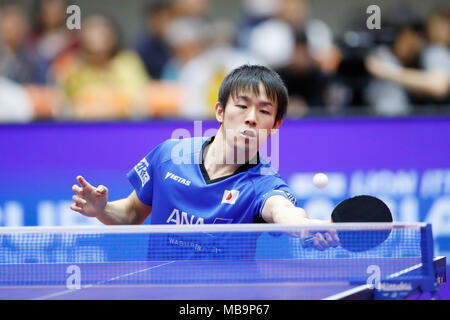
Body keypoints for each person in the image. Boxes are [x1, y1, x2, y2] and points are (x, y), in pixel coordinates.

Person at [71, 65, 337, 257]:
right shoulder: (169, 156)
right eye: (242, 106)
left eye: (264, 111)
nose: (252, 118)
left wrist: (306, 227)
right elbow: (130, 213)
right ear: (220, 111)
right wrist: (101, 210)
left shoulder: (263, 185)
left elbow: (284, 212)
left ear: (275, 125)